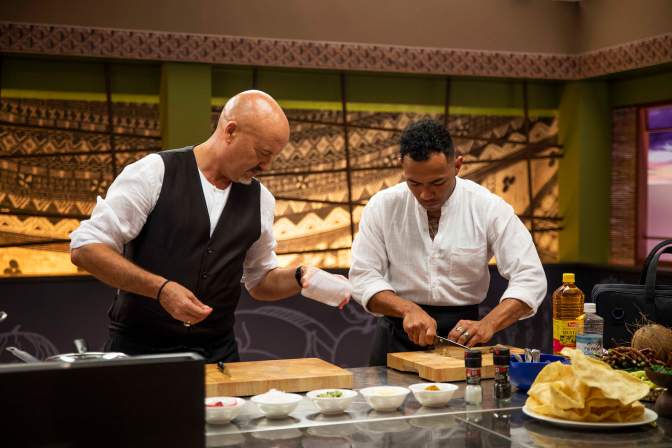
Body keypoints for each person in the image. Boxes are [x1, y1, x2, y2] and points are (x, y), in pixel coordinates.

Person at [70, 90, 348, 362]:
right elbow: (85, 248)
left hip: (217, 356)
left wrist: (300, 276)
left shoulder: (261, 200)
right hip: (138, 354)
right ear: (230, 131)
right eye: (262, 153)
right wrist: (161, 288)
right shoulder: (154, 172)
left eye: (273, 156)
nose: (266, 166)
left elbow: (260, 280)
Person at [349, 119, 546, 366]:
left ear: (458, 165)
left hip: (464, 339)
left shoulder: (488, 207)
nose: (425, 194)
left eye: (437, 183)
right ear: (403, 168)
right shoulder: (382, 206)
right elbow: (363, 277)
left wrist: (489, 323)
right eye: (414, 183)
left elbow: (530, 277)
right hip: (396, 335)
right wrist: (406, 309)